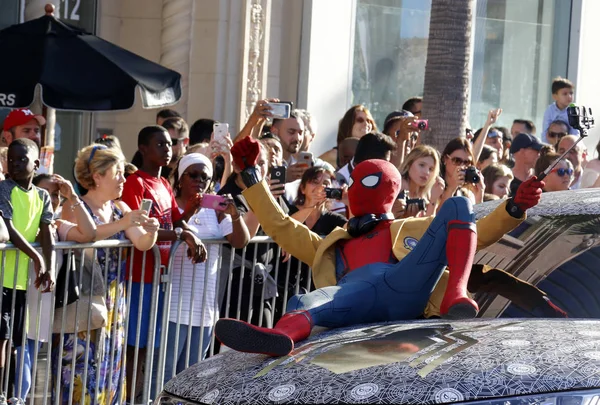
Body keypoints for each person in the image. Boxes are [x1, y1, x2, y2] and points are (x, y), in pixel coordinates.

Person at [214, 136, 545, 357]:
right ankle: (279, 336)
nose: (353, 187)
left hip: (405, 282)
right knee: (308, 300)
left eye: (364, 181)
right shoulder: (332, 243)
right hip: (350, 297)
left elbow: (478, 231)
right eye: (353, 181)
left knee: (459, 206)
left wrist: (513, 207)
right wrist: (251, 177)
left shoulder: (411, 227)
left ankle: (455, 294)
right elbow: (281, 226)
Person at [58, 144, 159, 405]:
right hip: (84, 302)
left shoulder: (120, 208)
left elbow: (142, 243)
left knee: (110, 373)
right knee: (81, 374)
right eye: (117, 173)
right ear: (97, 176)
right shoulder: (74, 207)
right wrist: (124, 223)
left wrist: (152, 229)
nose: (123, 179)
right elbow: (87, 237)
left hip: (115, 305)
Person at [120, 126, 205, 401]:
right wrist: (183, 233)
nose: (167, 149)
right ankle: (132, 398)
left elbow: (174, 221)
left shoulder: (165, 184)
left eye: (170, 144)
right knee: (135, 347)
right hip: (139, 276)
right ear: (143, 148)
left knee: (152, 348)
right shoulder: (135, 182)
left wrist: (188, 223)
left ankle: (144, 397)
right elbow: (138, 226)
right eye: (160, 144)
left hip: (161, 278)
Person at [162, 153, 249, 385]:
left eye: (206, 177)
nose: (200, 180)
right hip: (173, 306)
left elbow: (240, 241)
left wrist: (235, 215)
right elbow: (167, 231)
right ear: (180, 178)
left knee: (191, 380)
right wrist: (189, 212)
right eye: (194, 175)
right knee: (164, 375)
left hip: (204, 308)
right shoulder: (170, 203)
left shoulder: (215, 209)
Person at [0, 139, 54, 401]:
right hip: (1, 277)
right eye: (12, 159)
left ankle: (10, 394)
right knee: (2, 339)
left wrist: (49, 266)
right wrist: (37, 257)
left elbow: (47, 234)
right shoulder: (4, 188)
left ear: (36, 163)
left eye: (22, 159)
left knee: (13, 342)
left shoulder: (43, 196)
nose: (16, 163)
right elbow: (9, 229)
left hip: (20, 281)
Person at [438, 138, 485, 208]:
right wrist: (451, 188)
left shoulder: (467, 193)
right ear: (445, 159)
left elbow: (477, 218)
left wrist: (479, 197)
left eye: (467, 162)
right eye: (457, 160)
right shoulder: (436, 186)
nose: (462, 166)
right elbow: (437, 217)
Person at [398, 145, 442, 218]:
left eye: (431, 169)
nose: (426, 172)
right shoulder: (399, 186)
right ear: (409, 164)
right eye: (421, 165)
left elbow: (429, 225)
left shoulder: (427, 194)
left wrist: (434, 199)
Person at [542, 77, 579, 141]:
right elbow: (545, 131)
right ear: (555, 96)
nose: (569, 96)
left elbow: (575, 132)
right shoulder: (550, 110)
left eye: (571, 93)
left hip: (567, 143)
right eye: (565, 94)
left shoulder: (573, 110)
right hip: (552, 143)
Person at [509, 133, 543, 197]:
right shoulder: (507, 180)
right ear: (522, 152)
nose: (539, 155)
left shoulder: (541, 177)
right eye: (536, 150)